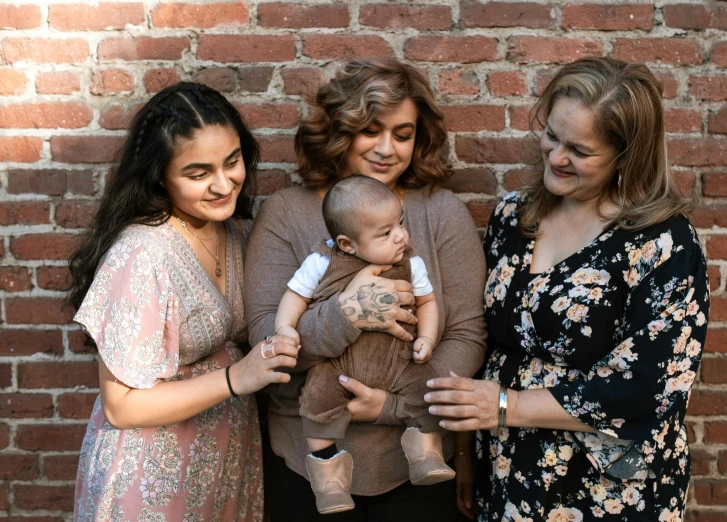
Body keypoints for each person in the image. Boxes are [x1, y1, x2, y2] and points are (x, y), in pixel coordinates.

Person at [424, 57, 710, 521]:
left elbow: (651, 386)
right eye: (552, 136)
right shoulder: (514, 216)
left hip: (607, 483)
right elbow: (488, 342)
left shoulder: (663, 242)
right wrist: (465, 455)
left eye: (579, 149)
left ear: (626, 155)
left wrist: (508, 404)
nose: (556, 157)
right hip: (509, 465)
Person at [245, 57, 487, 521]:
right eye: (370, 130)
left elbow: (467, 335)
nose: (387, 149)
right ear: (339, 131)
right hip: (305, 462)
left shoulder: (441, 213)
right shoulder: (286, 212)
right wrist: (346, 314)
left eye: (403, 134)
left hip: (417, 465)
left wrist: (392, 406)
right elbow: (263, 335)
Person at [66, 82, 299, 521]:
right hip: (150, 476)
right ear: (159, 175)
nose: (223, 183)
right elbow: (121, 406)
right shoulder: (142, 253)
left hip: (224, 462)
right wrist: (236, 377)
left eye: (232, 162)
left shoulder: (237, 233)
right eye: (198, 174)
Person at [275, 175, 452, 514]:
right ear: (347, 244)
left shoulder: (410, 262)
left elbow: (428, 302)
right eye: (385, 233)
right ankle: (329, 479)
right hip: (338, 365)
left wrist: (427, 337)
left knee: (425, 393)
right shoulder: (321, 261)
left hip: (397, 361)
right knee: (317, 403)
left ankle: (425, 454)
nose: (400, 235)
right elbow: (295, 295)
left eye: (400, 223)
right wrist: (285, 327)